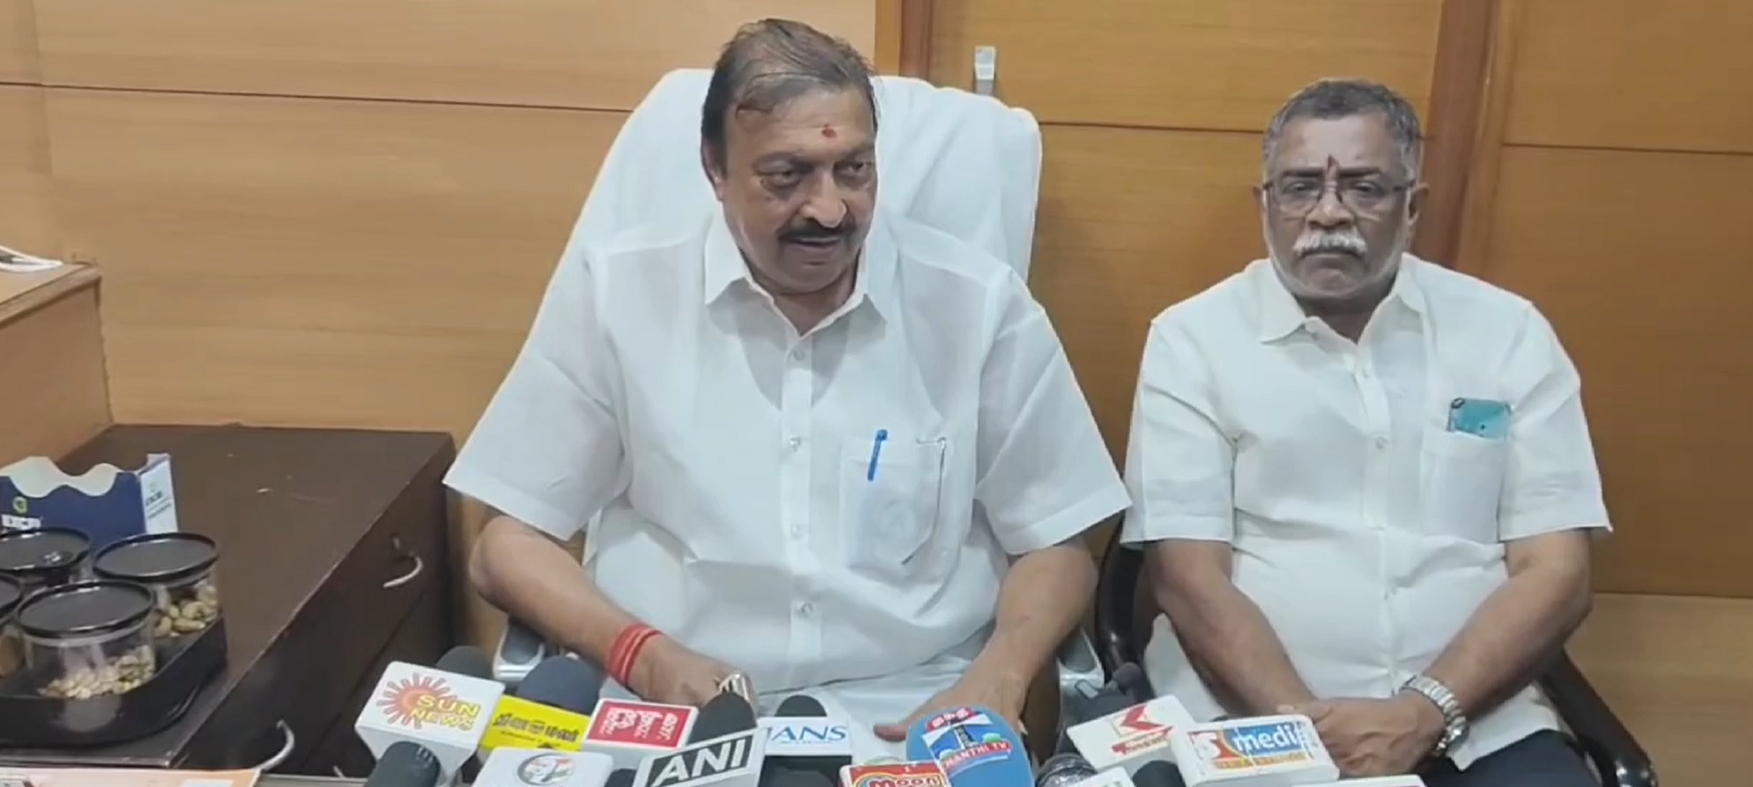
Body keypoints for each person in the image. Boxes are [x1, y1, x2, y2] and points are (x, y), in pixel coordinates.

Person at [445, 18, 1128, 756]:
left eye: (853, 170)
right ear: (714, 169)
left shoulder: (977, 304)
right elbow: (507, 542)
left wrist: (1000, 675)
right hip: (674, 704)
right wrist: (640, 654)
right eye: (786, 175)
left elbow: (1058, 543)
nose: (829, 210)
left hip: (917, 707)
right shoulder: (620, 293)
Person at [1121, 78, 1606, 787]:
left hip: (1475, 721)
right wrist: (1310, 739)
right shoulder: (1192, 341)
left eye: (1363, 187)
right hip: (1247, 721)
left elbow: (1556, 572)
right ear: (1264, 203)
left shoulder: (1507, 334)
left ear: (1413, 206)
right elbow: (1188, 577)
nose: (1327, 213)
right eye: (1299, 187)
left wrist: (1424, 712)